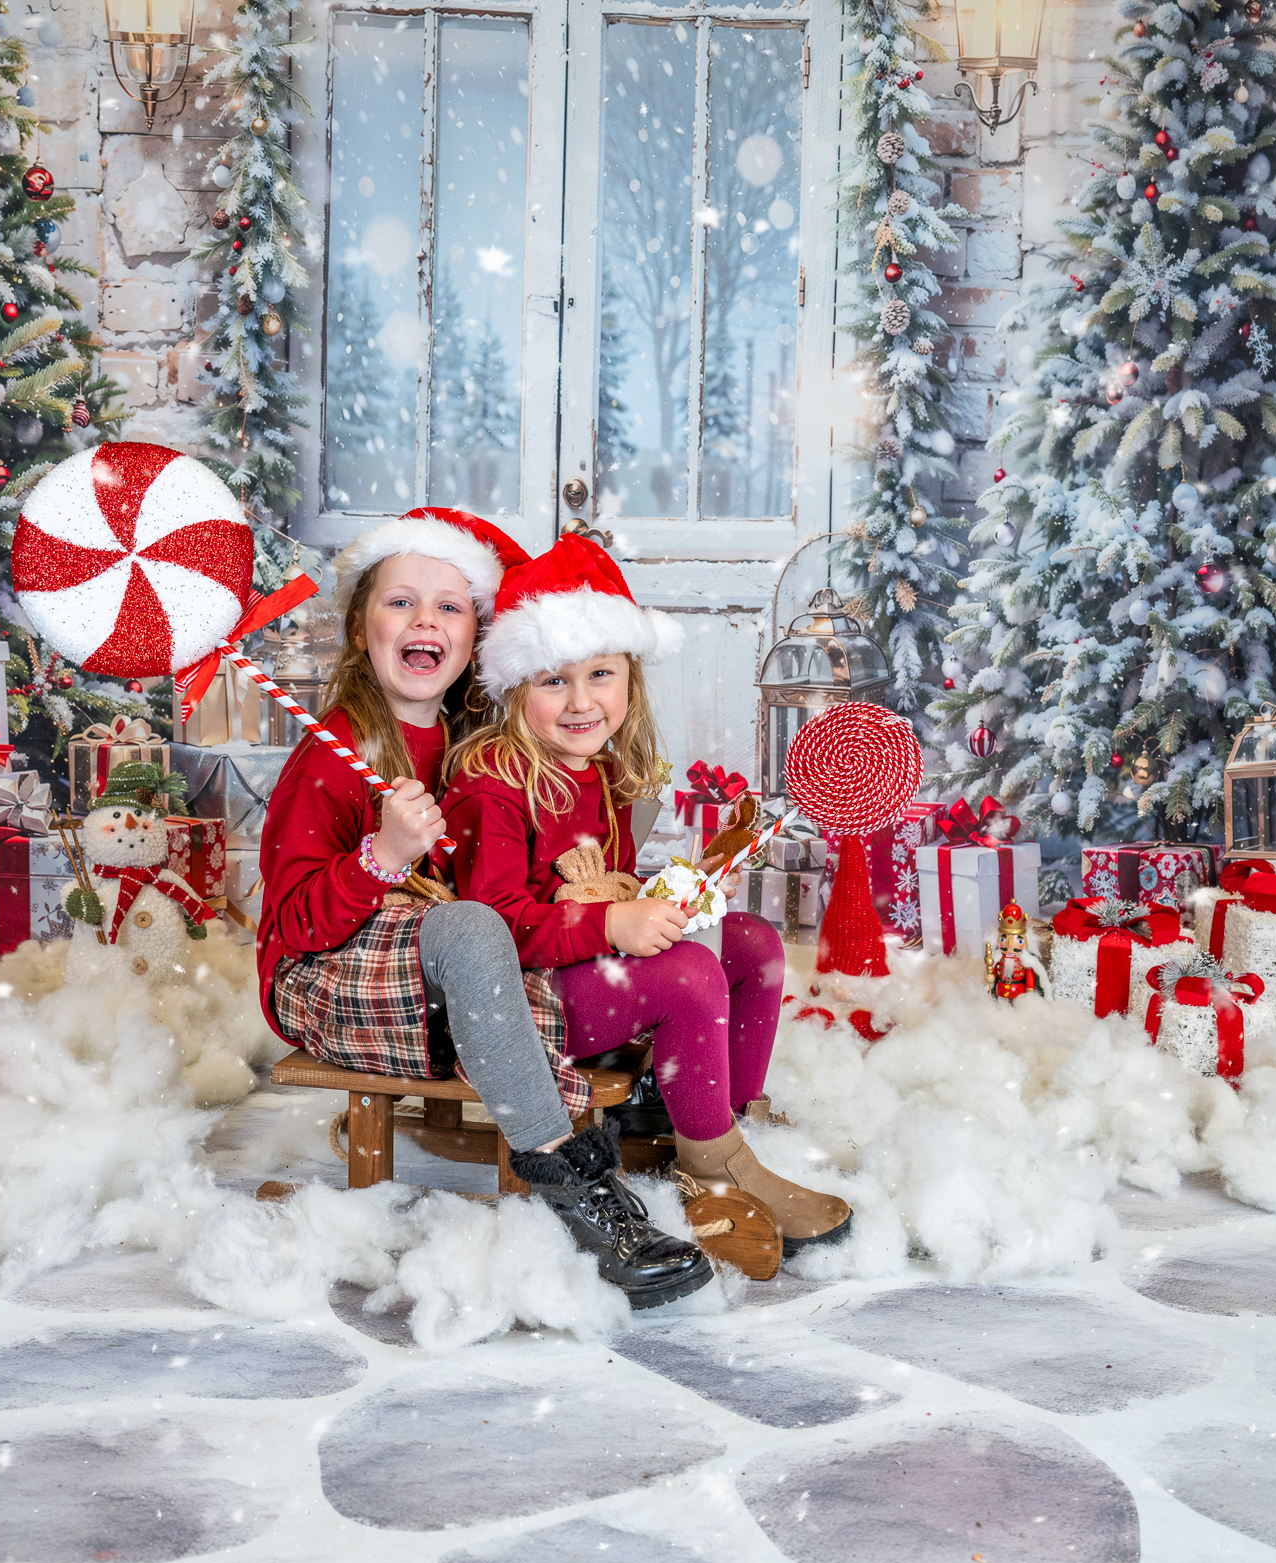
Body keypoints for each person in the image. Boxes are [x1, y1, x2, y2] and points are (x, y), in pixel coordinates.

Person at [256, 505, 710, 1309]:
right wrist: (380, 857)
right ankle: (574, 1184)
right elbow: (292, 927)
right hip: (324, 978)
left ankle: (633, 1106)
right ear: (360, 630)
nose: (424, 620)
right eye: (400, 602)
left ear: (477, 638)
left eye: (450, 606)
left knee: (491, 931)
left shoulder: (474, 743)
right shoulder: (333, 754)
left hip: (443, 975)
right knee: (474, 927)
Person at [440, 535, 852, 1269]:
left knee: (751, 943)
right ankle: (713, 1168)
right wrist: (612, 924)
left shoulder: (598, 772)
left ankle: (719, 1118)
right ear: (513, 687)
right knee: (688, 976)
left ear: (629, 677)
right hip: (525, 1007)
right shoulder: (491, 783)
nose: (581, 702)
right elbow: (490, 934)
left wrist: (681, 897)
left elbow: (612, 889)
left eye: (601, 674)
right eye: (553, 681)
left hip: (586, 971)